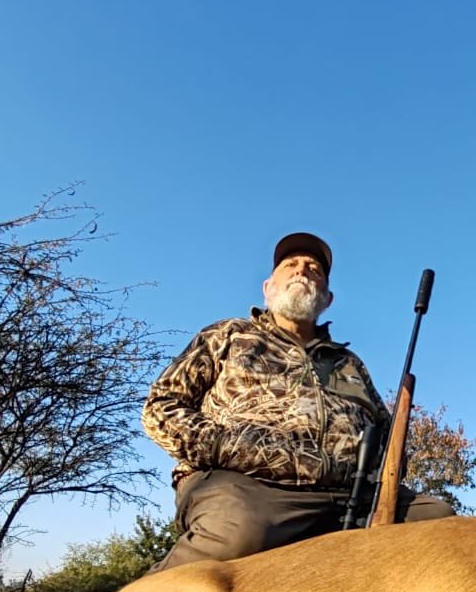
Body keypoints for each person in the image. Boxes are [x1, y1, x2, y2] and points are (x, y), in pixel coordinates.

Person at [143, 231, 454, 570]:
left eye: (314, 269)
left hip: (349, 495)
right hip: (247, 485)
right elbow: (161, 407)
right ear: (267, 288)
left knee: (443, 523)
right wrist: (227, 446)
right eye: (290, 265)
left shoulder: (350, 363)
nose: (302, 271)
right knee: (239, 531)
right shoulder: (227, 335)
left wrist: (381, 474)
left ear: (328, 298)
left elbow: (386, 435)